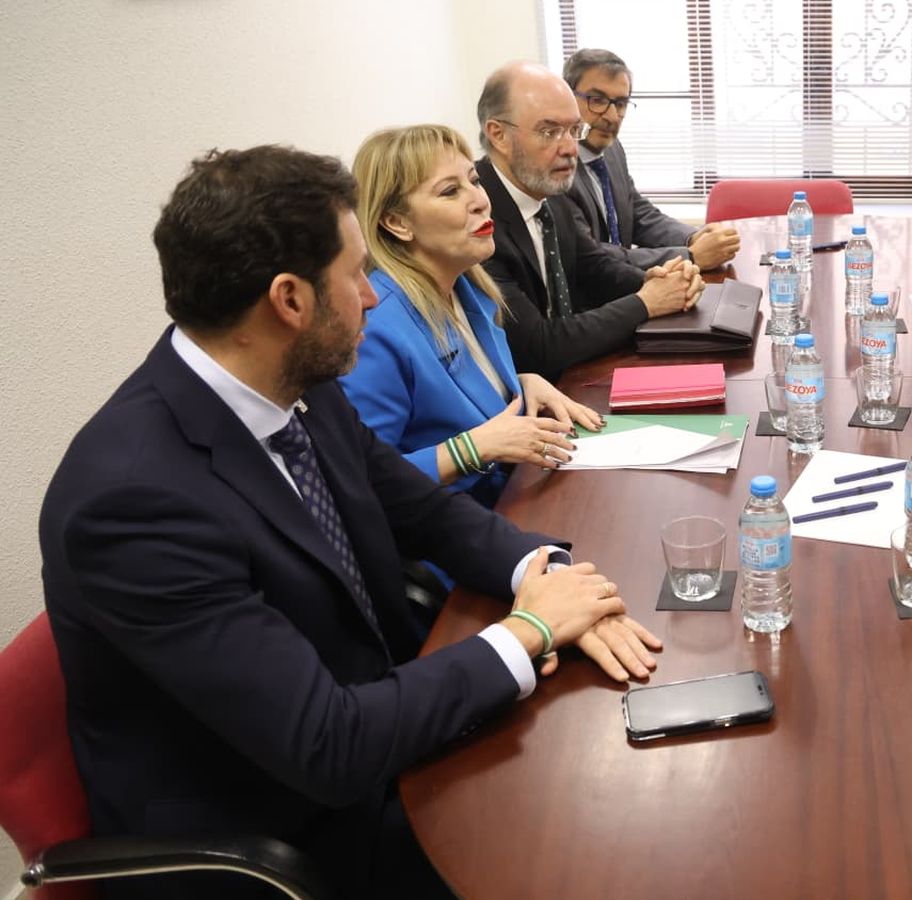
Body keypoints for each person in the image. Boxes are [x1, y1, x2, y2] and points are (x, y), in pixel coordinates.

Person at [38, 145, 662, 900]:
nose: (373, 298)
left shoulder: (296, 386)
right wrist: (529, 632)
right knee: (584, 861)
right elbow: (325, 744)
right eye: (357, 274)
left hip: (381, 724)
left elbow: (423, 511)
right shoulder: (133, 500)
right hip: (285, 833)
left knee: (605, 781)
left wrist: (545, 574)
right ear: (290, 301)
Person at [341, 124, 600, 510]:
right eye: (450, 191)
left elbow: (482, 407)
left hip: (516, 501)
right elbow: (362, 483)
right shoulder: (376, 326)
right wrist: (471, 449)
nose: (480, 200)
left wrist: (519, 383)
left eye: (473, 181)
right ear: (397, 222)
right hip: (452, 544)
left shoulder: (470, 287)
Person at [476, 60, 704, 381]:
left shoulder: (546, 188)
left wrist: (659, 281)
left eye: (573, 130)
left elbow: (593, 266)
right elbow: (536, 347)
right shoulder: (475, 217)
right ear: (498, 135)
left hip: (573, 376)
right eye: (550, 131)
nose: (570, 148)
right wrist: (645, 302)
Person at [563, 47, 741, 269]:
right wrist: (690, 256)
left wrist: (693, 237)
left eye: (620, 104)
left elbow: (638, 215)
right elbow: (591, 256)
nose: (611, 116)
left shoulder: (612, 149)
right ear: (566, 97)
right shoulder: (557, 166)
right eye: (597, 100)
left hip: (632, 286)